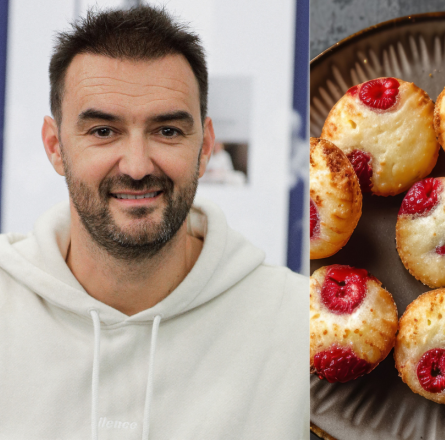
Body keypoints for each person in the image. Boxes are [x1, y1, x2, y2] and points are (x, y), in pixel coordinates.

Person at [0, 6, 307, 440]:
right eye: (104, 131)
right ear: (54, 146)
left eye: (167, 131)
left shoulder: (296, 321)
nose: (138, 165)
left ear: (205, 147)